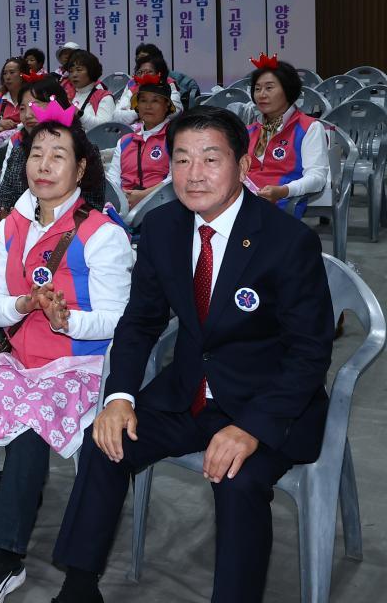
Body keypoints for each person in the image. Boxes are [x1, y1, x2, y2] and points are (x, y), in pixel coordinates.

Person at [50, 106, 335, 603]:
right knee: (105, 442)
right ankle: (78, 586)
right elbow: (141, 321)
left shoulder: (288, 242)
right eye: (181, 160)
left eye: (210, 159)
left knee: (238, 482)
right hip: (188, 393)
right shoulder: (164, 228)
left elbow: (310, 353)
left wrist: (251, 427)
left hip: (268, 400)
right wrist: (119, 395)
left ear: (243, 168)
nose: (193, 175)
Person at [0, 113, 132, 603]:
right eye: (36, 155)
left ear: (82, 167)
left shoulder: (103, 234)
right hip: (22, 360)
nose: (44, 166)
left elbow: (119, 320)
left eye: (58, 156)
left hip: (80, 366)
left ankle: (5, 555)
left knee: (28, 429)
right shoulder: (11, 227)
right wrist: (25, 305)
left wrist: (70, 321)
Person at [230, 56, 328, 216]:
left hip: (283, 201)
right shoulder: (248, 130)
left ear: (288, 90)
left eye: (269, 88)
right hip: (242, 200)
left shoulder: (309, 127)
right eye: (257, 89)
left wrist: (283, 191)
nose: (261, 95)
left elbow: (317, 178)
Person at [0, 81, 74, 218]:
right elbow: (3, 196)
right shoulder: (19, 151)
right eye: (22, 109)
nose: (27, 115)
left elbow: (93, 202)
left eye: (34, 106)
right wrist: (2, 216)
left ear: (57, 105)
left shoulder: (82, 149)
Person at [105, 73, 178, 210]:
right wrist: (121, 199)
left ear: (167, 104)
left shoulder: (175, 137)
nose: (148, 106)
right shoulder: (125, 141)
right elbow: (113, 178)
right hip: (124, 206)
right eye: (143, 100)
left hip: (162, 205)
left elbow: (175, 177)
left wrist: (144, 195)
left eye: (155, 101)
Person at [111, 56, 183, 126]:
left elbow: (176, 111)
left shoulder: (167, 87)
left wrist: (144, 114)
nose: (143, 75)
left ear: (159, 73)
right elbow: (116, 117)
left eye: (148, 72)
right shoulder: (133, 89)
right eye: (140, 72)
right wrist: (139, 113)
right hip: (133, 132)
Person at [63, 50, 115, 131]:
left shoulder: (104, 97)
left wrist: (78, 113)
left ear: (91, 71)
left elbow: (105, 128)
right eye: (71, 71)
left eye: (79, 70)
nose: (74, 75)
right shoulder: (67, 95)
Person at [0, 57, 26, 137]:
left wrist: (12, 129)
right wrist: (0, 123)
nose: (7, 77)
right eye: (5, 73)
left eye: (12, 72)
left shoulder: (31, 97)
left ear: (23, 74)